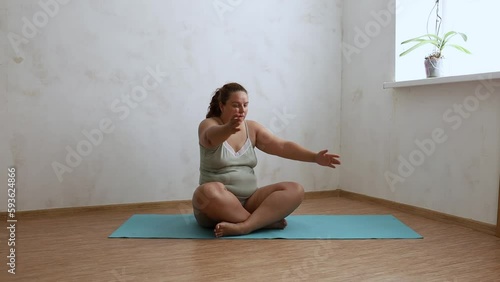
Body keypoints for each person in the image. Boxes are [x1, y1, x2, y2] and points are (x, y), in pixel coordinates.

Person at [192, 82, 341, 237]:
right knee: (208, 191)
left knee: (295, 189)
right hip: (214, 207)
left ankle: (245, 226)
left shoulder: (252, 128)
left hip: (250, 201)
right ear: (222, 106)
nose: (242, 110)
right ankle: (262, 222)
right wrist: (228, 128)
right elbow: (210, 137)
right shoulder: (209, 124)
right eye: (235, 105)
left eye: (245, 105)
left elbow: (282, 146)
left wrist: (315, 157)